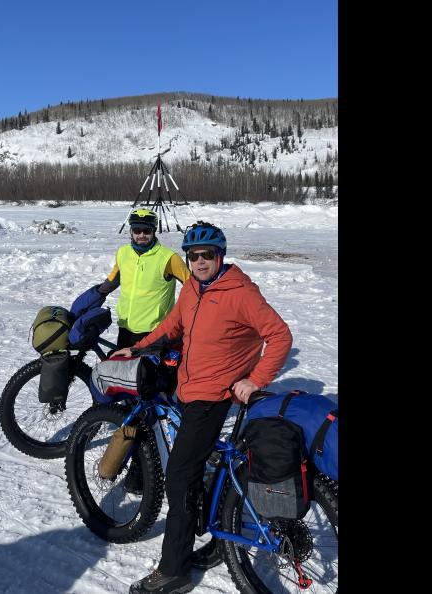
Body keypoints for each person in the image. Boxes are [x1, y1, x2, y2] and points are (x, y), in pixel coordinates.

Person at [111, 221, 293, 594]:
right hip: (190, 387)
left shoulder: (239, 291)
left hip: (214, 396)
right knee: (206, 465)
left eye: (207, 255)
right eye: (193, 256)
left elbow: (280, 335)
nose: (199, 262)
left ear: (220, 255)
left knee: (179, 475)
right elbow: (173, 326)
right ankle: (218, 538)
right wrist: (140, 347)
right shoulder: (193, 288)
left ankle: (174, 570)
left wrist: (255, 380)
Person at [98, 209, 191, 348]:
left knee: (147, 370)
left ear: (153, 231)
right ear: (131, 231)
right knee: (123, 368)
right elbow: (114, 279)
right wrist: (96, 295)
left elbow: (192, 285)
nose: (141, 235)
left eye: (146, 231)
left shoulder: (168, 258)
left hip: (154, 331)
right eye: (137, 230)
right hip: (125, 327)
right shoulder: (123, 253)